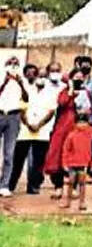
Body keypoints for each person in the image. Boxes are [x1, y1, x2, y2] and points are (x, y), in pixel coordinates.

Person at [43, 64, 88, 200]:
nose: (79, 80)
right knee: (57, 157)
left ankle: (73, 188)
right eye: (76, 77)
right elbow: (62, 103)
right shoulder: (64, 91)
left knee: (75, 159)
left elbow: (87, 110)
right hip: (62, 128)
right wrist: (71, 90)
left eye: (81, 78)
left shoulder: (85, 93)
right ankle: (58, 187)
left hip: (77, 129)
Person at [9, 65, 52, 195]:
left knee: (39, 161)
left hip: (42, 131)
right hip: (25, 131)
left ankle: (33, 186)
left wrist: (39, 125)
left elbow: (51, 111)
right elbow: (22, 109)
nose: (40, 78)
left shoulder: (50, 91)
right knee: (18, 159)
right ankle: (10, 185)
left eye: (43, 76)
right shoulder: (26, 90)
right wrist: (28, 124)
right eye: (39, 76)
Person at [0, 55, 30, 197]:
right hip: (0, 114)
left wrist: (21, 84)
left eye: (16, 63)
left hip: (14, 116)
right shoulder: (1, 76)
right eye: (10, 62)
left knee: (9, 153)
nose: (13, 65)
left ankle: (4, 185)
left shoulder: (22, 80)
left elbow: (26, 98)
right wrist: (4, 82)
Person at [60, 111, 92, 211]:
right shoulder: (71, 136)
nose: (82, 125)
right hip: (72, 163)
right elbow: (65, 149)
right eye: (79, 122)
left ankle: (82, 202)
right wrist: (64, 163)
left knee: (82, 183)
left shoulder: (90, 135)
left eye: (84, 122)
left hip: (83, 163)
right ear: (75, 124)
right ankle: (68, 201)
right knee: (71, 182)